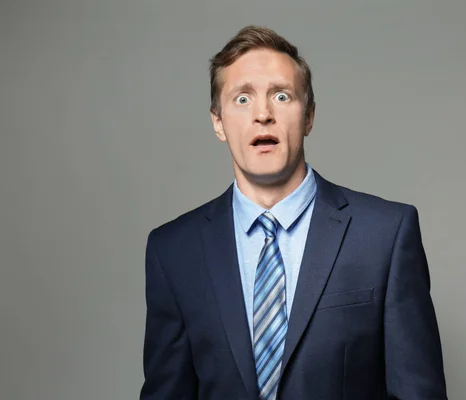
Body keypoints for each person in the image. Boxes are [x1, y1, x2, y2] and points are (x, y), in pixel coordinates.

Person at [140, 25, 447, 400]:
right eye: (242, 99)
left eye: (282, 96)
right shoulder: (173, 250)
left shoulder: (385, 235)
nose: (263, 114)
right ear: (217, 122)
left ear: (309, 117)